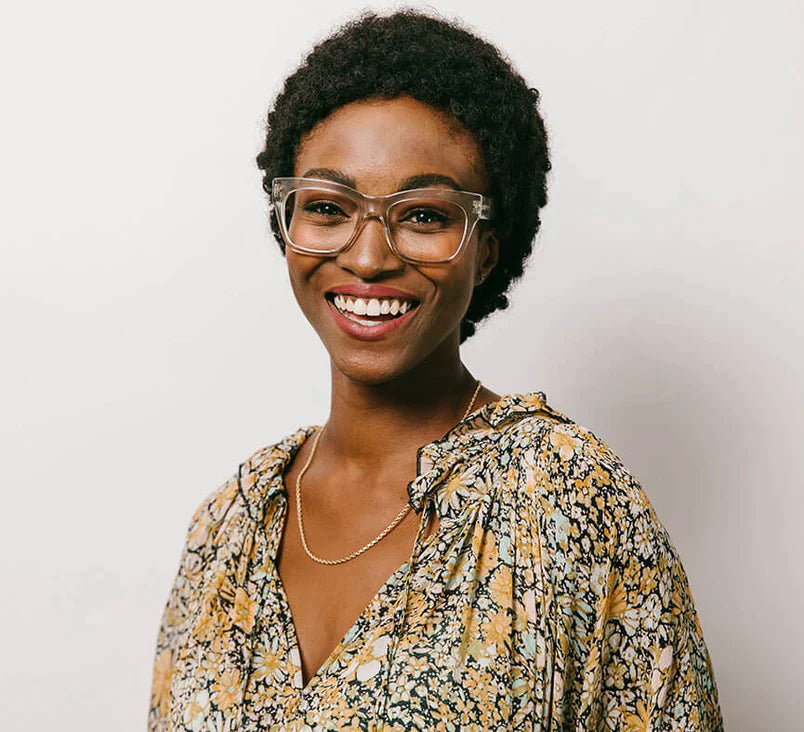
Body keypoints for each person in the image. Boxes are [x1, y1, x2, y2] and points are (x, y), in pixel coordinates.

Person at [149, 10, 722, 730]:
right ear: (286, 225)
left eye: (422, 215)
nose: (367, 256)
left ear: (485, 249)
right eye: (328, 207)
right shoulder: (225, 531)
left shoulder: (568, 501)